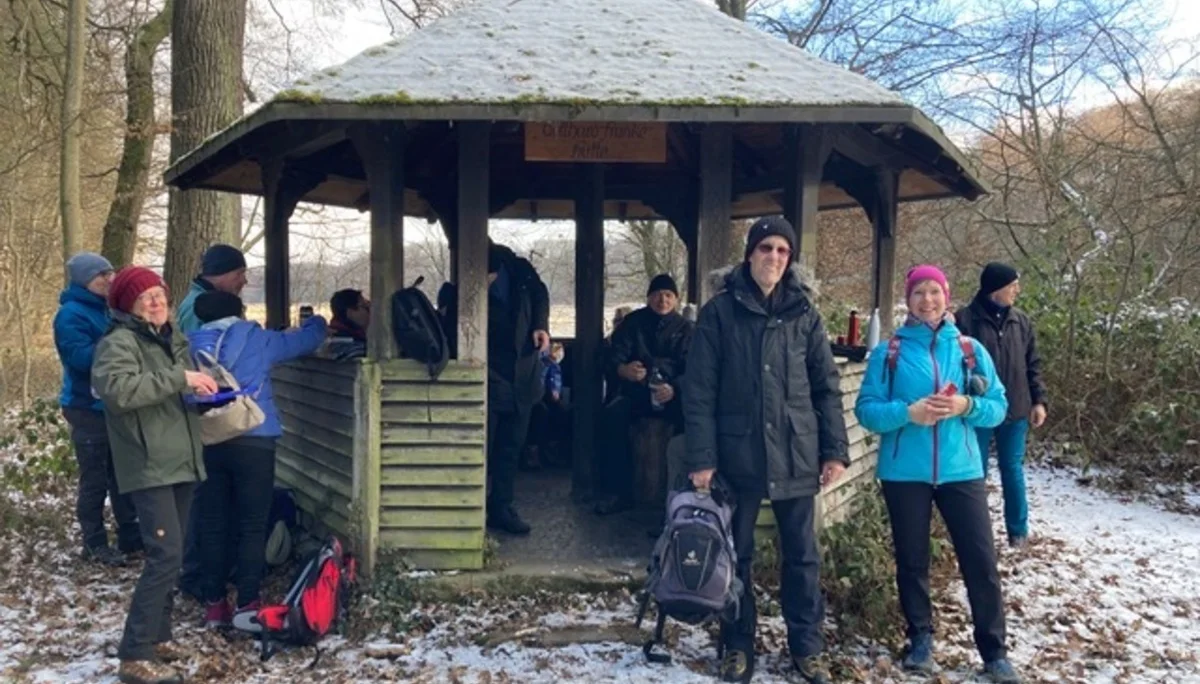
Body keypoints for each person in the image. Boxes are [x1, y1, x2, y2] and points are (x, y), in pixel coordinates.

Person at [683, 216, 849, 684]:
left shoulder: (805, 314)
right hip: (737, 454)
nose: (773, 257)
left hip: (797, 451)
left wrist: (834, 450)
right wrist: (702, 458)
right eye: (765, 248)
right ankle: (736, 646)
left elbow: (826, 388)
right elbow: (699, 390)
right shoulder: (719, 313)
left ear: (789, 258)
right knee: (735, 555)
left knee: (802, 556)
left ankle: (806, 647)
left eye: (781, 250)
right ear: (749, 253)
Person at [855, 265, 1021, 683]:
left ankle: (994, 651)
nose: (927, 300)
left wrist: (967, 406)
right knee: (912, 561)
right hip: (904, 473)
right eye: (918, 293)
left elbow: (1000, 407)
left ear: (947, 296)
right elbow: (867, 411)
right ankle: (920, 639)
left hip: (960, 470)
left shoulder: (969, 349)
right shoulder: (888, 351)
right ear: (907, 300)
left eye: (934, 292)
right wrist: (907, 413)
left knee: (980, 560)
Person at [91, 266, 218, 684]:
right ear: (127, 305)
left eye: (159, 293)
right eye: (144, 296)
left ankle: (159, 638)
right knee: (163, 556)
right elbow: (119, 391)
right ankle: (134, 654)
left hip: (181, 457)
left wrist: (199, 393)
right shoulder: (118, 343)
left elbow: (169, 391)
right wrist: (179, 378)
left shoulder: (170, 338)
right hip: (149, 464)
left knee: (175, 555)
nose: (155, 301)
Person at [186, 291, 327, 627]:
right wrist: (318, 321)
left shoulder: (189, 345)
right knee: (252, 523)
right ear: (239, 311)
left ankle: (214, 604)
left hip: (208, 438)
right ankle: (247, 603)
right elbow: (305, 342)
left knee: (213, 523)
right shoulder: (254, 338)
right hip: (254, 438)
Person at [53, 252, 141, 567]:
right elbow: (80, 359)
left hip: (114, 404)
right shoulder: (71, 315)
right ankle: (94, 543)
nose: (107, 279)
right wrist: (119, 340)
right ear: (82, 281)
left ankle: (130, 534)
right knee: (95, 479)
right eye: (98, 276)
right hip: (86, 406)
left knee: (122, 474)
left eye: (109, 272)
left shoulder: (108, 309)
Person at [955, 262, 1047, 547]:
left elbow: (1033, 364)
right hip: (978, 409)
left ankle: (1018, 532)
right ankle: (976, 534)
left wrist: (1039, 400)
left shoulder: (1021, 321)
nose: (1017, 290)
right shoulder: (964, 320)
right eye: (1012, 285)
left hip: (1016, 408)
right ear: (996, 289)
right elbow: (952, 365)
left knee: (1012, 469)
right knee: (975, 473)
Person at [176, 243, 248, 599]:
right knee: (203, 501)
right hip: (204, 415)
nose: (243, 281)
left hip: (207, 413)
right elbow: (199, 362)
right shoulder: (197, 310)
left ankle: (203, 572)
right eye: (239, 275)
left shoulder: (199, 301)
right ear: (220, 274)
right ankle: (195, 576)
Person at [595, 274, 693, 515]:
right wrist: (623, 370)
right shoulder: (633, 323)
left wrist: (675, 388)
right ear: (649, 298)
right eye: (658, 295)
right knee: (612, 418)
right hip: (637, 392)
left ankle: (680, 496)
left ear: (676, 300)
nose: (663, 300)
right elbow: (611, 356)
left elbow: (695, 369)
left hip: (671, 396)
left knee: (693, 426)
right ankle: (618, 492)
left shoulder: (686, 329)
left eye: (668, 295)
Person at [485, 241, 550, 535]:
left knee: (511, 447)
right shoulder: (461, 283)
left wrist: (541, 325)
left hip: (523, 372)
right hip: (488, 371)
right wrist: (478, 291)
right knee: (483, 447)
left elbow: (541, 294)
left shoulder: (520, 270)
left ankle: (501, 507)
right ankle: (474, 510)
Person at [175, 244, 248, 334]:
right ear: (221, 272)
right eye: (239, 273)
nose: (244, 280)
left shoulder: (219, 303)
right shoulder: (196, 308)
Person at [328, 288, 369, 361]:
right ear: (350, 312)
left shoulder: (329, 339)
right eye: (366, 307)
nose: (370, 312)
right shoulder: (354, 348)